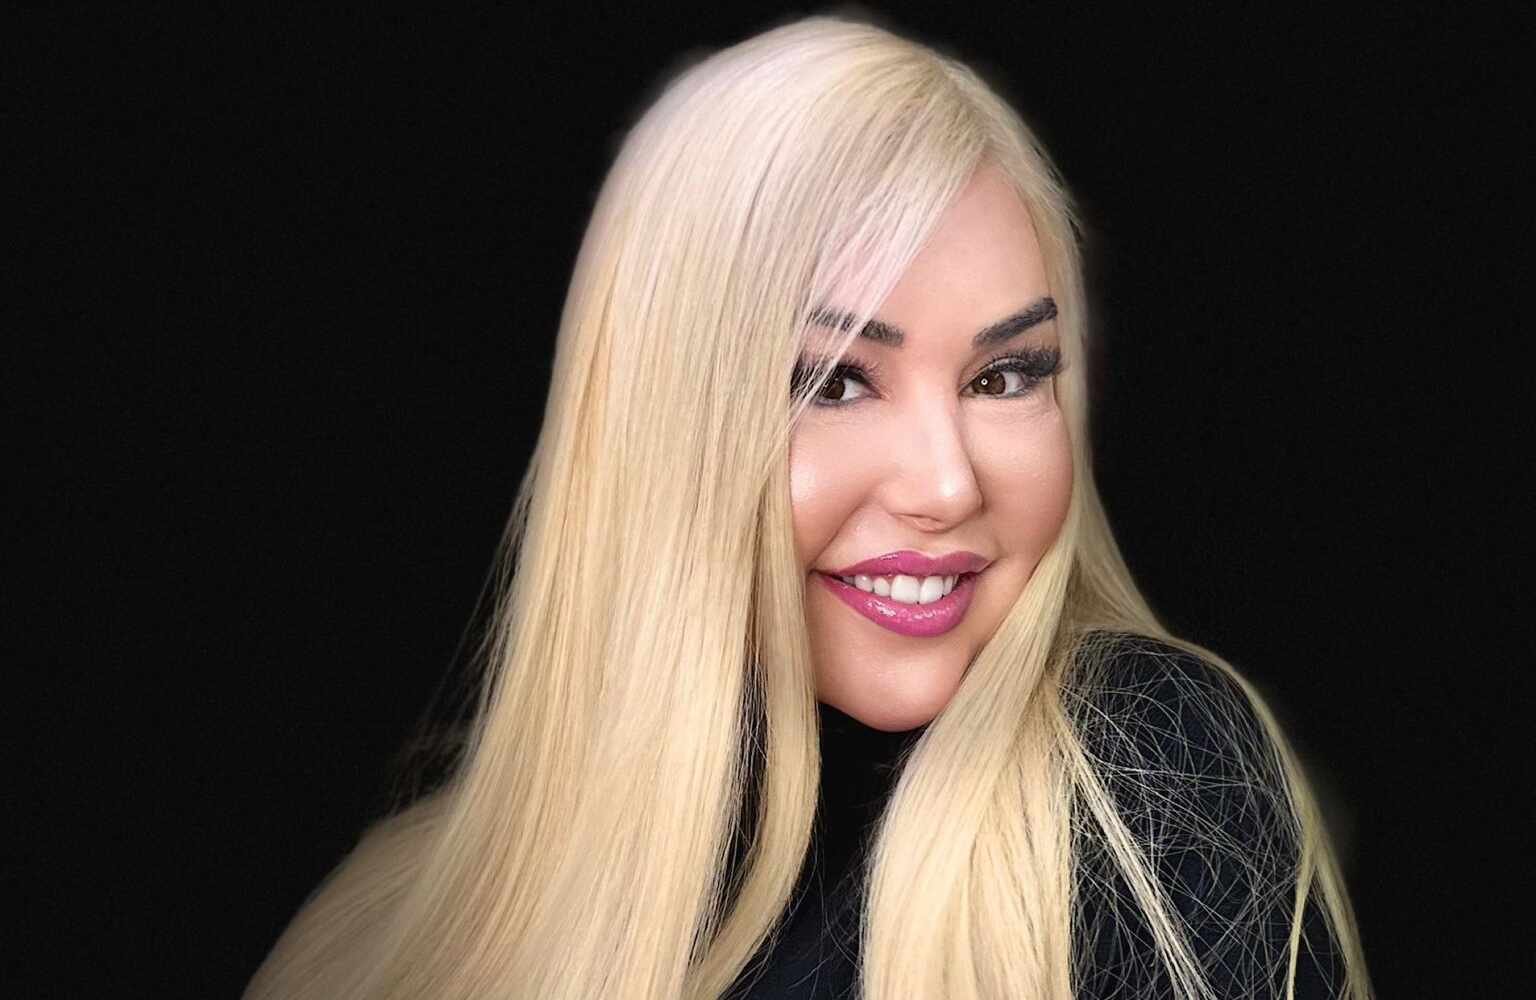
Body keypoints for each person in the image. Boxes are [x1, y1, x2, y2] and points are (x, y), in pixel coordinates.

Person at [245, 13, 1373, 999]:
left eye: (1003, 376)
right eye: (835, 381)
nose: (946, 486)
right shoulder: (392, 918)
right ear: (663, 428)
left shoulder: (1144, 785)